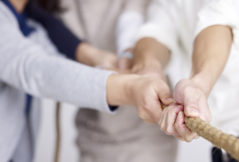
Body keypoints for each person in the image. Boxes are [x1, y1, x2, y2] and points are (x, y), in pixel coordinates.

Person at [0, 0, 172, 161]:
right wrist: (128, 89)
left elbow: (56, 61)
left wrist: (105, 61)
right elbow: (38, 70)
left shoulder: (30, 24)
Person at [133, 0, 239, 161]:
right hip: (226, 147)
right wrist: (149, 70)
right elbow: (155, 32)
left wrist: (198, 84)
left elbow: (220, 17)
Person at [59, 0, 178, 162]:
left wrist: (128, 55)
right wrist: (93, 57)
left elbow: (137, 17)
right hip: (92, 132)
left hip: (145, 136)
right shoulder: (54, 8)